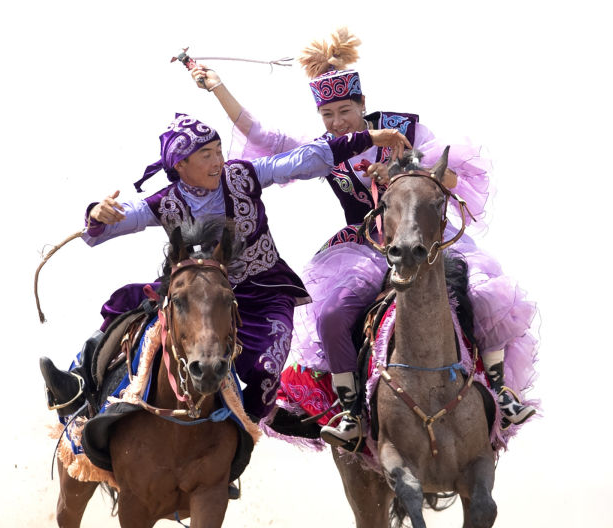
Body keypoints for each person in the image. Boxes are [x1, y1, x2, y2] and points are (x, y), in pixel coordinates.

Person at [190, 28, 538, 447]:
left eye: (345, 111)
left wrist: (401, 172)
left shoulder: (404, 129)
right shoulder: (325, 150)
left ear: (363, 104)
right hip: (365, 246)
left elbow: (448, 177)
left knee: (486, 294)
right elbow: (262, 135)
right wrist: (218, 88)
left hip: (424, 236)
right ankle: (351, 412)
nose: (337, 123)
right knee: (333, 313)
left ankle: (500, 391)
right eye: (328, 115)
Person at [40, 112, 408, 429]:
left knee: (266, 372)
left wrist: (369, 138)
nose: (218, 160)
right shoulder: (164, 203)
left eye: (218, 150)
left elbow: (302, 160)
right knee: (124, 307)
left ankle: (237, 437)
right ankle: (77, 383)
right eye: (207, 155)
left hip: (264, 295)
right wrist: (97, 214)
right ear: (180, 166)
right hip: (198, 299)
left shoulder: (244, 175)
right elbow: (108, 224)